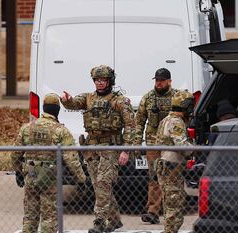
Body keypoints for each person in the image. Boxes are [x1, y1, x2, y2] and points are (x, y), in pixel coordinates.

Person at [60, 65, 135, 233]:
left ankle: (99, 222)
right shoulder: (89, 98)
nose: (99, 83)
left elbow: (131, 126)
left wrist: (126, 150)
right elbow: (73, 103)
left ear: (110, 81)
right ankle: (114, 220)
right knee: (98, 186)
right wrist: (66, 100)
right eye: (97, 80)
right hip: (92, 148)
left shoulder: (119, 100)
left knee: (103, 183)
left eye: (103, 80)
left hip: (110, 148)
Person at [10, 93, 86, 233]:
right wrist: (81, 179)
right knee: (49, 217)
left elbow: (15, 154)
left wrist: (19, 171)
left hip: (31, 175)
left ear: (44, 108)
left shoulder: (27, 128)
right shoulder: (60, 130)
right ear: (57, 110)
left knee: (30, 216)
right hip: (49, 179)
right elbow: (71, 158)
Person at [135, 68, 180, 224]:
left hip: (171, 145)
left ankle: (170, 211)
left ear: (169, 81)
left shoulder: (177, 97)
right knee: (154, 177)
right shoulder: (148, 98)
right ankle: (152, 212)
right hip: (153, 144)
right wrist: (135, 145)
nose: (158, 83)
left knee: (170, 178)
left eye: (161, 80)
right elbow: (139, 122)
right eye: (156, 80)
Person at [155, 91, 194, 233]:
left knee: (172, 202)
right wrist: (197, 149)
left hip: (167, 166)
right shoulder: (176, 121)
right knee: (173, 204)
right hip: (171, 168)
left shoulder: (166, 119)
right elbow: (182, 146)